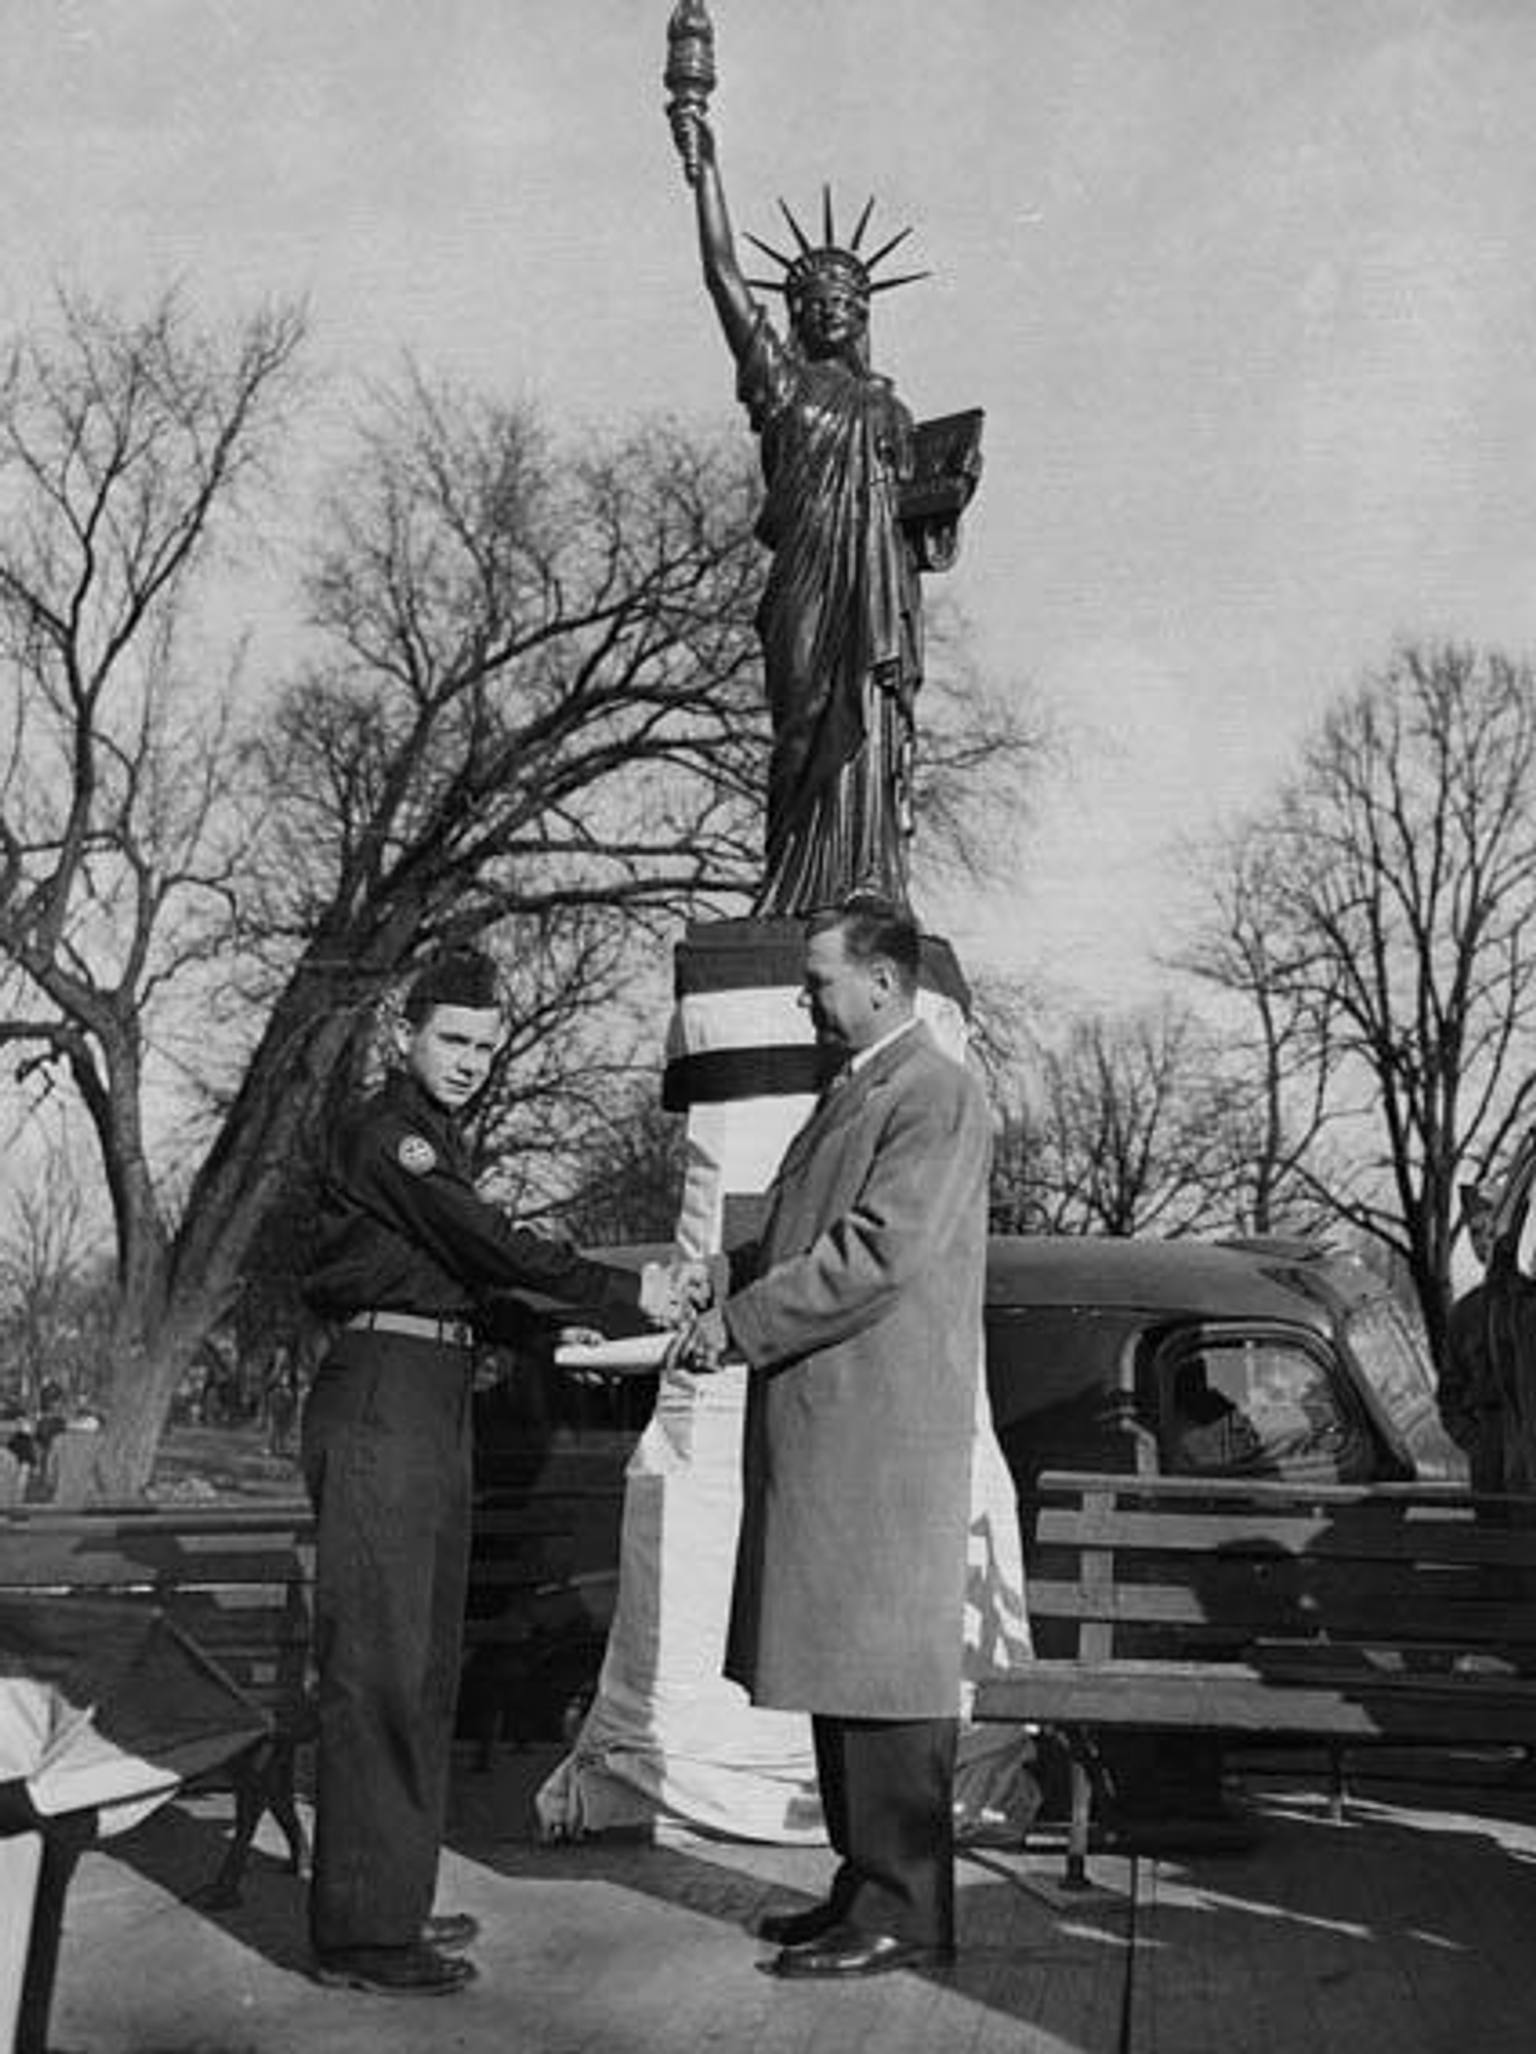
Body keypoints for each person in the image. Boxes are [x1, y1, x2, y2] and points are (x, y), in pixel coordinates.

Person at [299, 946, 694, 1998]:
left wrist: (581, 1319)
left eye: (484, 1043)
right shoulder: (393, 1136)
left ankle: (389, 1900)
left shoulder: (435, 1137)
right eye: (452, 1039)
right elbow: (489, 1244)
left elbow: (483, 1284)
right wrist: (621, 1294)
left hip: (429, 1389)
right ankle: (361, 1934)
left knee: (422, 1665)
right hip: (384, 1390)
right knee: (381, 1662)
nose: (470, 1060)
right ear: (405, 1033)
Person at [672, 894, 992, 1977]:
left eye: (817, 982)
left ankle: (905, 1904)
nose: (804, 999)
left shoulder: (937, 1092)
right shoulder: (860, 1086)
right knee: (839, 1663)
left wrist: (739, 1324)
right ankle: (865, 1887)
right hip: (839, 1427)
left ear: (884, 983)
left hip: (882, 1439)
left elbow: (877, 1253)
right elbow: (800, 1223)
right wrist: (721, 1270)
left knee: (883, 1676)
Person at [671, 102, 929, 915]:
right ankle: (789, 889)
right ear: (797, 313)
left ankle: (868, 882)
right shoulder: (780, 383)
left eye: (846, 299)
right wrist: (704, 164)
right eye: (814, 298)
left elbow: (921, 526)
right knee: (801, 727)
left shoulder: (892, 411)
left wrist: (949, 492)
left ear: (862, 314)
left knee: (869, 723)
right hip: (809, 578)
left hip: (878, 591)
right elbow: (722, 275)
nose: (830, 308)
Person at [1440, 1183, 1509, 1492]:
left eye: (1490, 1230)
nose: (1483, 1242)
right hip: (1491, 1469)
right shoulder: (1464, 1314)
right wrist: (1478, 1444)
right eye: (1474, 1233)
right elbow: (1449, 1394)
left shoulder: (1527, 1303)